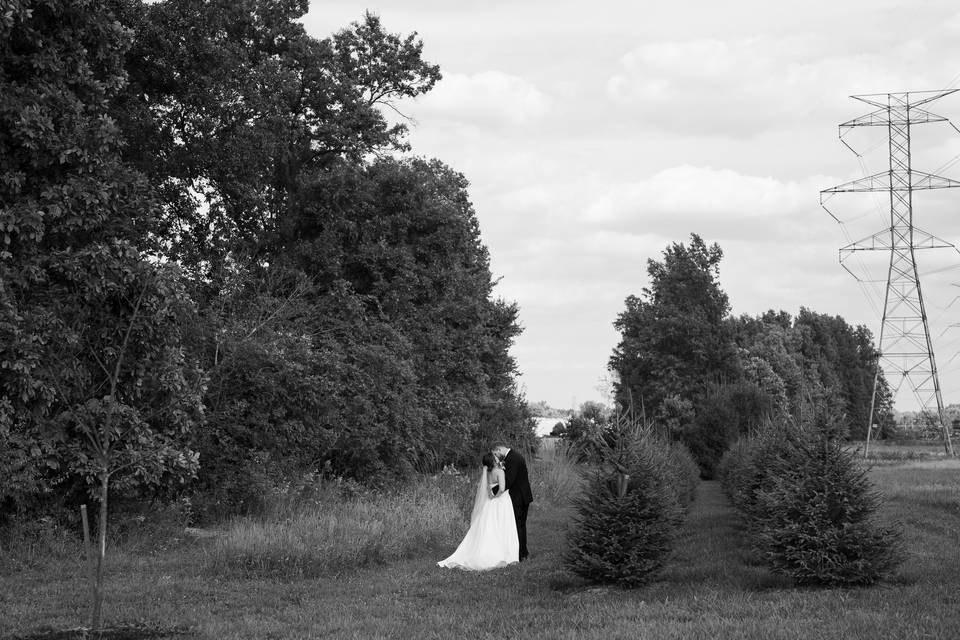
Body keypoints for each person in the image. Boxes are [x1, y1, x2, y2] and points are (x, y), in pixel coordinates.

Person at [437, 452, 519, 571]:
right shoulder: (500, 472)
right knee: (503, 525)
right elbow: (501, 488)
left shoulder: (488, 473)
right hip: (501, 502)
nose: (497, 457)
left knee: (490, 527)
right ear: (494, 461)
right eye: (495, 457)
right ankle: (505, 553)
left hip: (489, 504)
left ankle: (486, 550)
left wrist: (491, 496)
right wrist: (496, 497)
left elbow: (487, 487)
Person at [493, 444, 533, 561]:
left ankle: (521, 554)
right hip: (521, 496)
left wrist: (492, 490)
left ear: (499, 449)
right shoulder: (512, 457)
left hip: (519, 497)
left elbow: (509, 480)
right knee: (520, 525)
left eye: (495, 454)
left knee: (518, 525)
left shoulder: (513, 458)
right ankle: (522, 553)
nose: (496, 456)